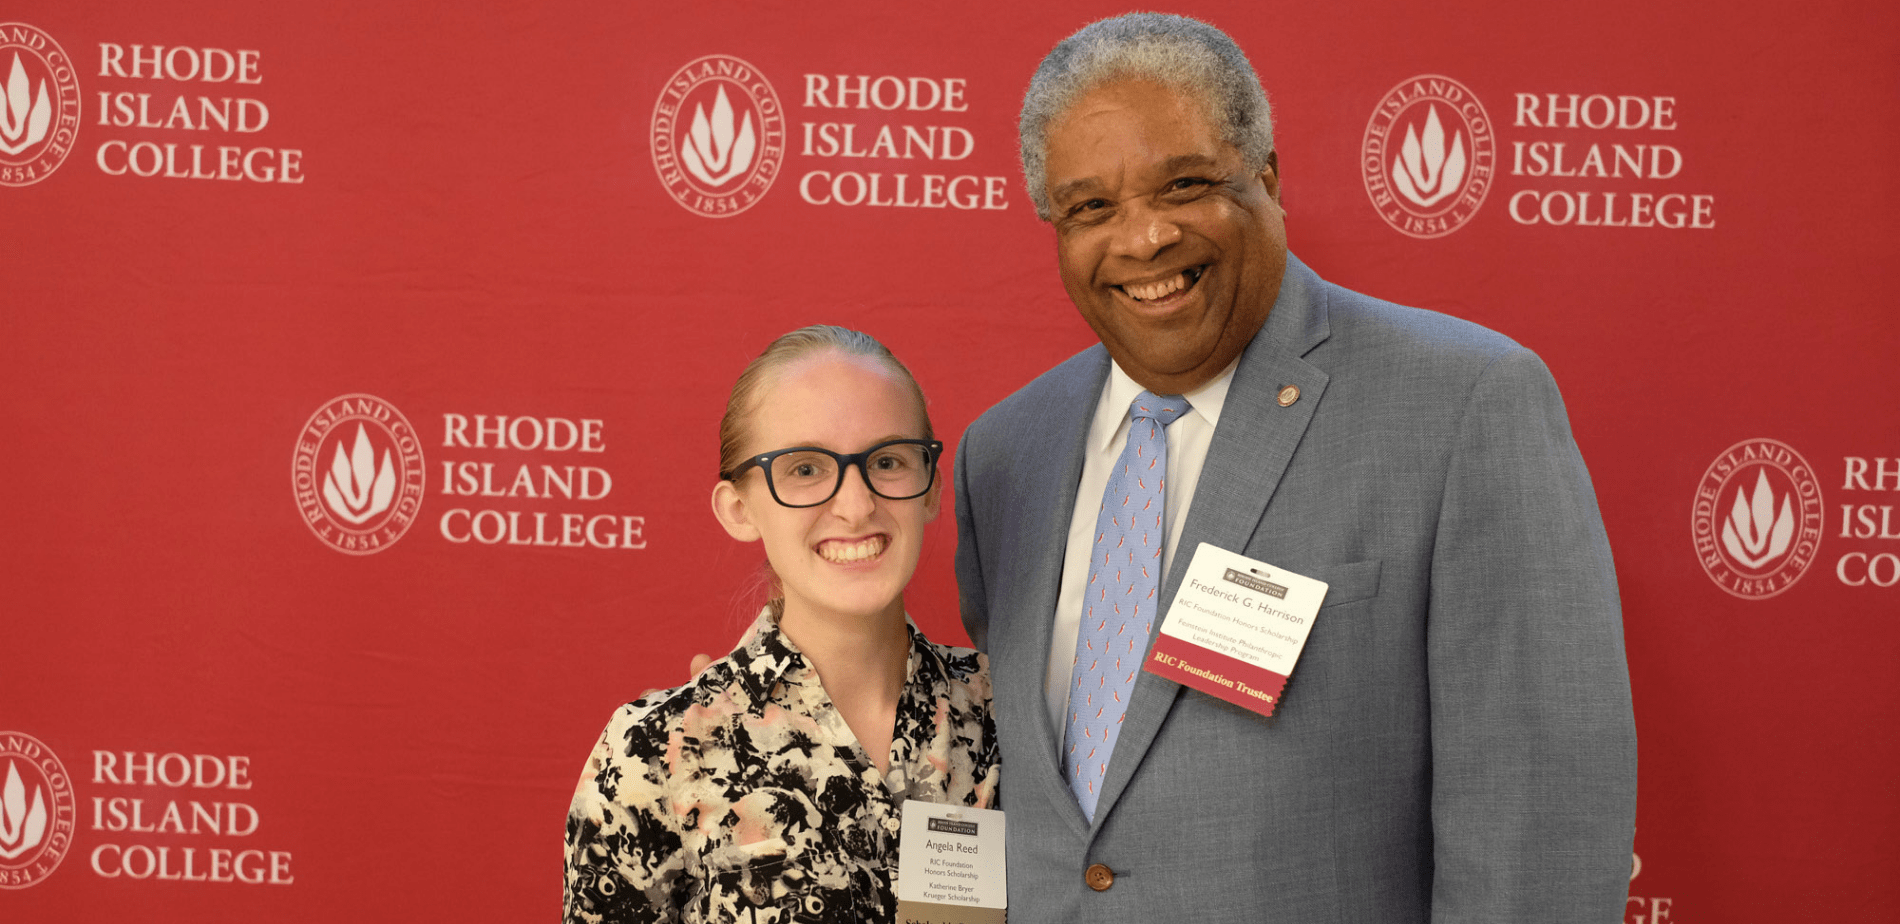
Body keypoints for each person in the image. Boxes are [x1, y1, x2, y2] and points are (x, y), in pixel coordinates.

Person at [954, 13, 1636, 923]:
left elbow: (1539, 827)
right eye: (1091, 208)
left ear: (1267, 178)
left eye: (1184, 184)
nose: (1144, 238)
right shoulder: (1005, 453)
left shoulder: (1463, 405)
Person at [564, 325, 999, 923]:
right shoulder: (656, 753)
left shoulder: (1010, 716)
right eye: (805, 469)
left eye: (887, 461)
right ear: (739, 510)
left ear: (930, 489)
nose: (856, 506)